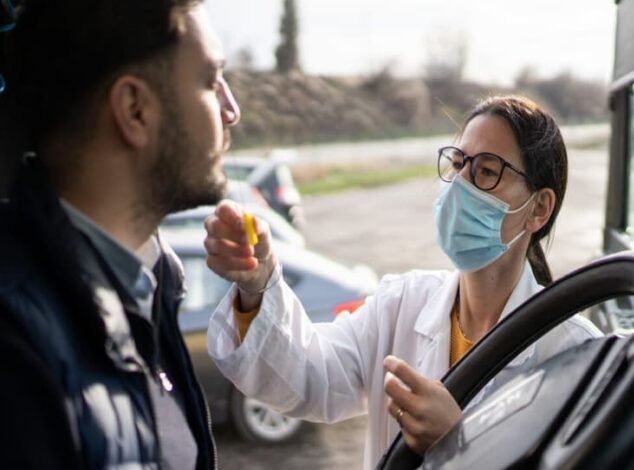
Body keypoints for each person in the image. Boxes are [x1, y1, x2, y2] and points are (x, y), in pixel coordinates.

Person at [206, 96, 601, 468]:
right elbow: (308, 378)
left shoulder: (574, 353)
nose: (460, 185)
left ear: (539, 208)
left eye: (486, 171)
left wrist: (460, 445)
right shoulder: (402, 304)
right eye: (458, 164)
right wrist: (257, 286)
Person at [0, 0, 240, 468]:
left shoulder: (151, 287)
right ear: (135, 110)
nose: (231, 111)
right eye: (211, 81)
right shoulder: (16, 351)